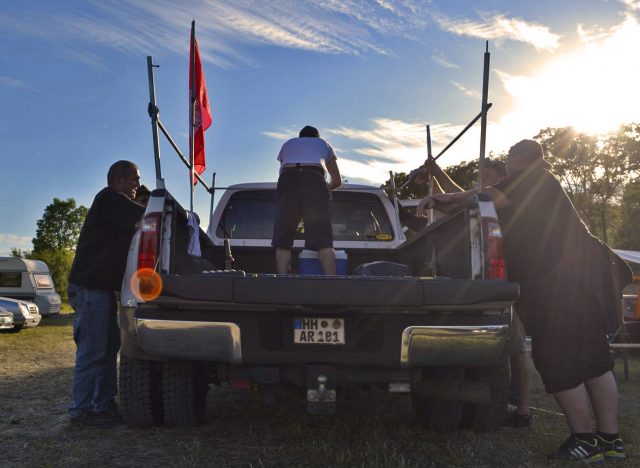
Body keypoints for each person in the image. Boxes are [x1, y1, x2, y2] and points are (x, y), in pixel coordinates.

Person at [417, 140, 632, 463]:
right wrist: (446, 192)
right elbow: (478, 200)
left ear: (518, 159)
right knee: (594, 362)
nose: (506, 166)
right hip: (581, 283)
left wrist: (440, 196)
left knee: (557, 361)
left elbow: (485, 196)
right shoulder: (540, 187)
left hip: (556, 288)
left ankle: (583, 439)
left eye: (508, 160)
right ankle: (610, 441)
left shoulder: (533, 178)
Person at [425, 158, 533, 428]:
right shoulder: (488, 196)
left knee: (517, 349)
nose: (484, 181)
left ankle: (523, 408)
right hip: (493, 282)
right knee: (509, 349)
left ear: (501, 176)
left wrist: (443, 191)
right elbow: (464, 194)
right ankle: (514, 401)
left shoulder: (504, 196)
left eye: (490, 176)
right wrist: (438, 175)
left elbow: (469, 195)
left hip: (509, 280)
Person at [67, 160, 145, 428]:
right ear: (119, 181)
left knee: (108, 348)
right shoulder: (110, 199)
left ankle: (103, 405)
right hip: (90, 288)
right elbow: (145, 216)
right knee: (93, 351)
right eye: (134, 179)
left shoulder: (117, 207)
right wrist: (160, 205)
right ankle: (82, 410)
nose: (137, 185)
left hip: (102, 289)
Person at [272, 125, 342, 274]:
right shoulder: (323, 143)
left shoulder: (288, 144)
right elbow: (336, 181)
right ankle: (333, 287)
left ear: (300, 137)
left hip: (287, 180)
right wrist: (322, 191)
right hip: (314, 179)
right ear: (316, 136)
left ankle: (281, 285)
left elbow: (282, 172)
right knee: (324, 241)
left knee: (283, 241)